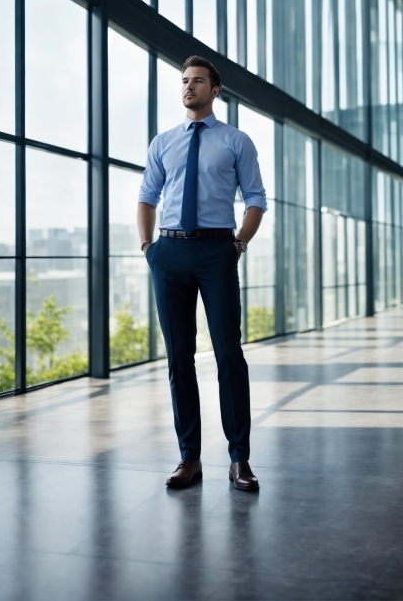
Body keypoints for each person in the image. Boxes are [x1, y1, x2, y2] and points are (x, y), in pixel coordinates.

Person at [137, 55, 267, 491]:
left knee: (229, 355)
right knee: (179, 360)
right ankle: (188, 458)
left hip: (216, 251)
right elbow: (146, 197)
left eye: (197, 81)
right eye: (184, 81)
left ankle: (239, 459)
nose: (188, 87)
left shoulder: (236, 141)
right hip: (168, 252)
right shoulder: (163, 142)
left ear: (216, 90)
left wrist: (238, 244)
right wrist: (148, 247)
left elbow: (255, 199)